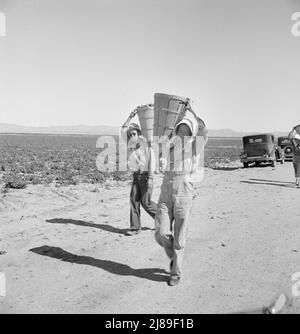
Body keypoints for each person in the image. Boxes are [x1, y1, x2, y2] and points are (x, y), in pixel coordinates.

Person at [154, 104, 207, 286]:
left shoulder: (195, 148)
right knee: (160, 232)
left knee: (180, 235)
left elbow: (202, 131)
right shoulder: (169, 147)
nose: (182, 134)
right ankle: (173, 256)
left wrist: (192, 112)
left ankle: (175, 272)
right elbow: (159, 159)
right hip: (166, 189)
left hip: (185, 191)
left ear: (191, 134)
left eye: (186, 131)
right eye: (179, 130)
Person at [120, 108, 157, 236]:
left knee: (146, 203)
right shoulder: (130, 143)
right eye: (130, 134)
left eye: (134, 133)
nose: (131, 136)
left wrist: (151, 178)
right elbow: (123, 129)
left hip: (146, 176)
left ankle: (165, 219)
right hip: (136, 176)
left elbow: (152, 162)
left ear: (139, 133)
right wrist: (130, 116)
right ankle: (135, 227)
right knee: (134, 200)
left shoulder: (146, 144)